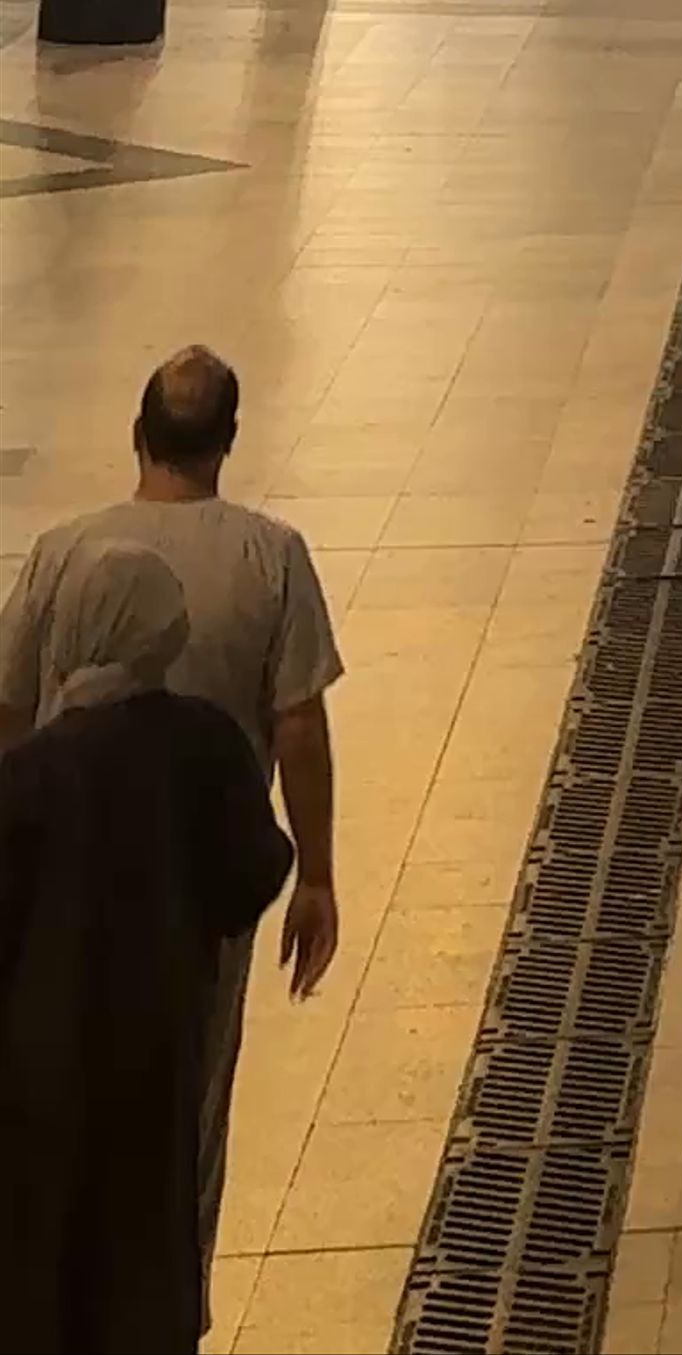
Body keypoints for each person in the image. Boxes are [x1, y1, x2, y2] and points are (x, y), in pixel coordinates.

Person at [0, 347, 342, 1296]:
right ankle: (166, 1295)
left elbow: (5, 706)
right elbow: (300, 721)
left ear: (136, 432)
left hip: (53, 893)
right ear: (228, 442)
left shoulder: (65, 551)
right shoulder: (269, 554)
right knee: (185, 1103)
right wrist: (315, 874)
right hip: (191, 906)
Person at [0, 539, 292, 1350]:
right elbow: (255, 869)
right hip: (156, 1050)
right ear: (163, 631)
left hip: (35, 1071)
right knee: (145, 1258)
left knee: (39, 1268)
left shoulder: (26, 774)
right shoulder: (203, 743)